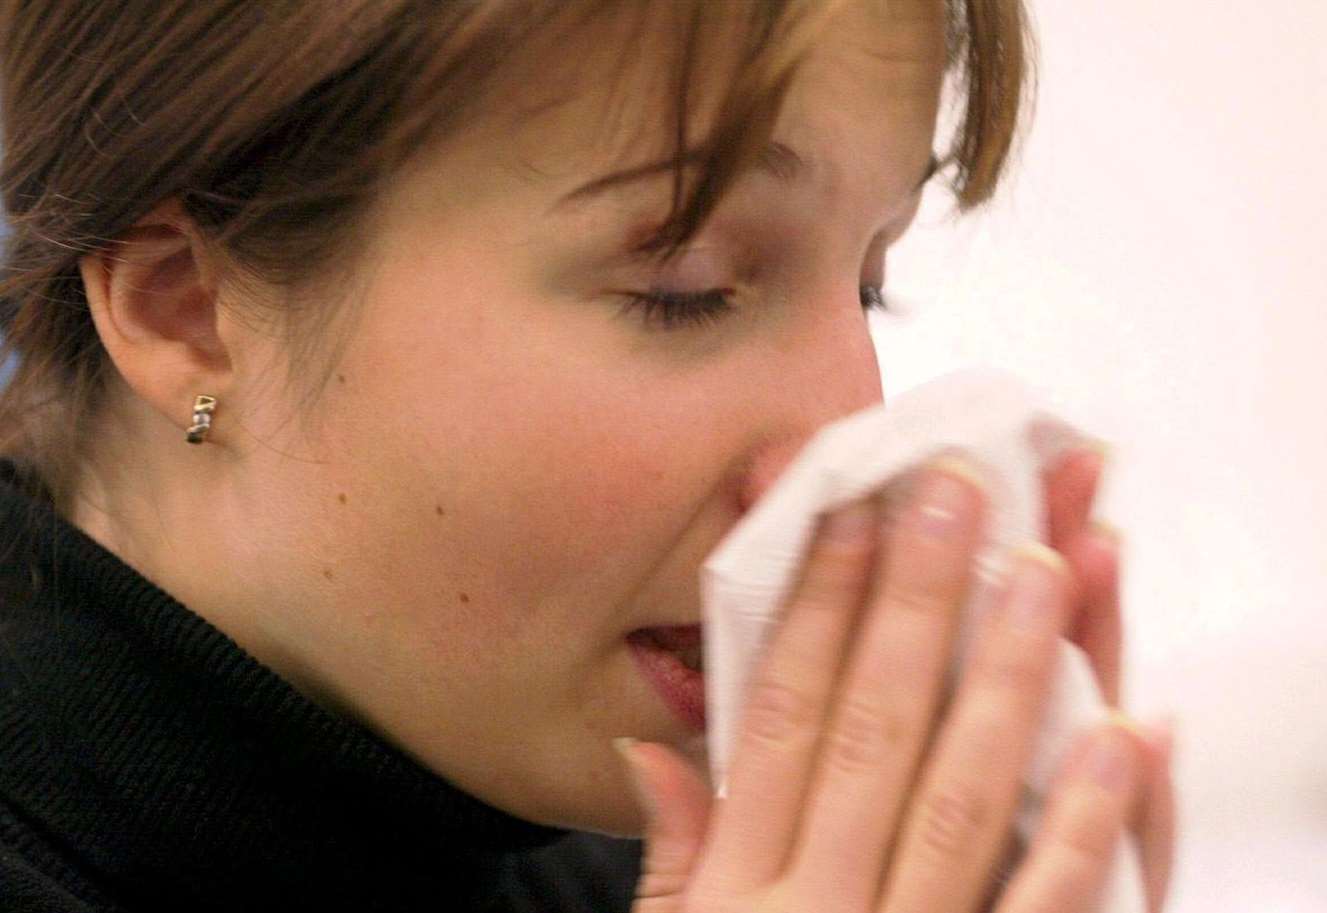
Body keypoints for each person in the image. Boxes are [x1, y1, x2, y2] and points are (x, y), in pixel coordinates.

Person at [0, 1, 1175, 910]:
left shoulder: (616, 844)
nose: (845, 443)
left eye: (869, 284)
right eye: (687, 290)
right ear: (185, 309)